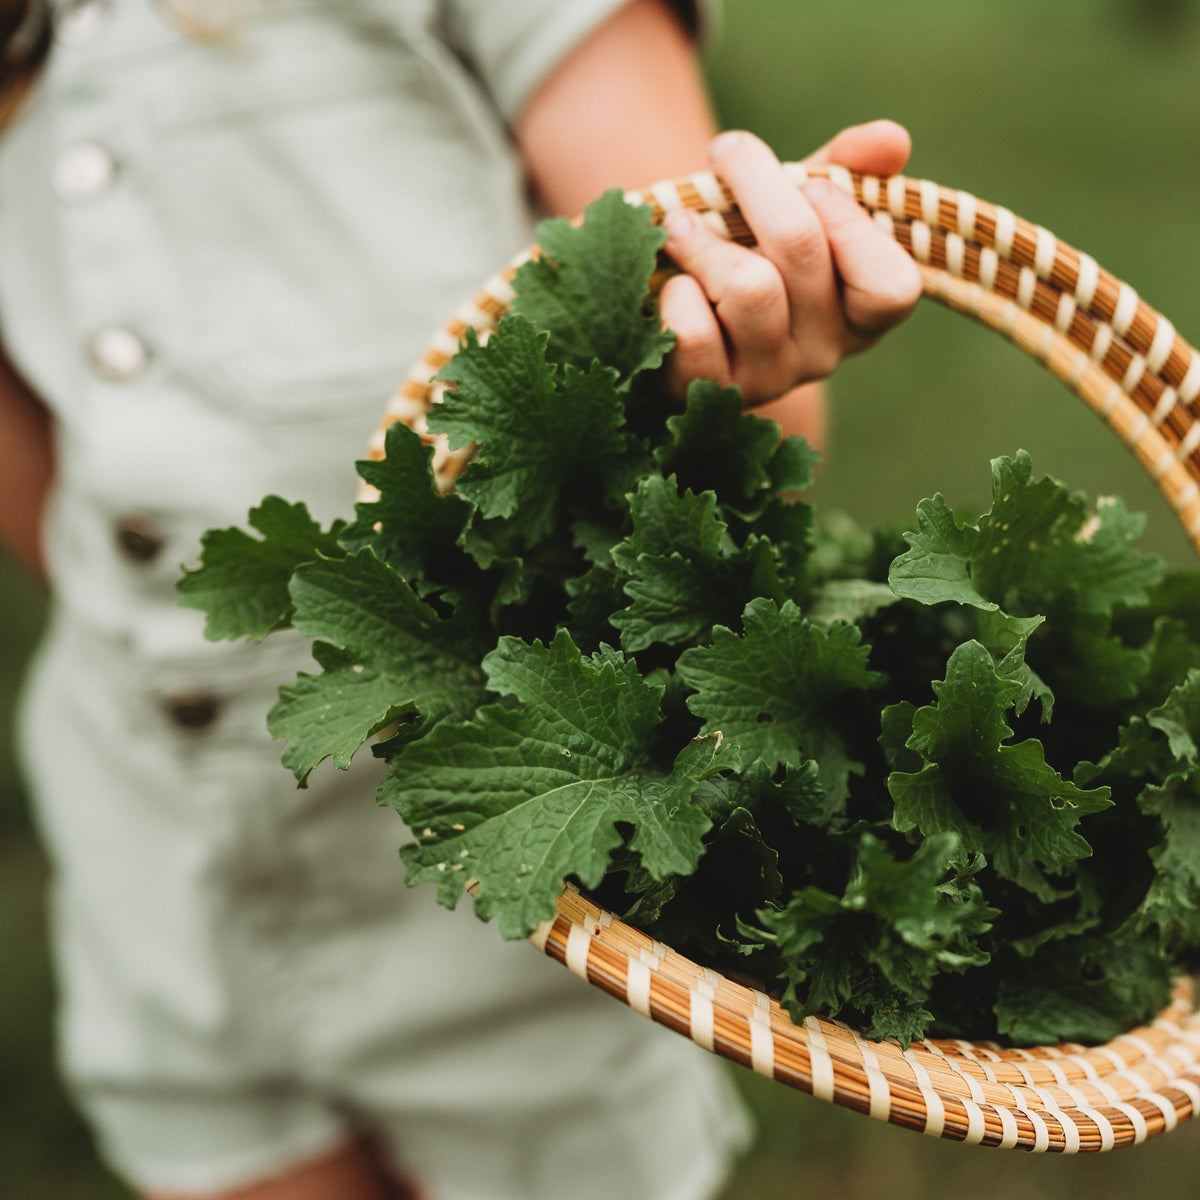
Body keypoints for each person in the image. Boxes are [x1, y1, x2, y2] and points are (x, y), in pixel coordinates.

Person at [0, 2, 920, 1197]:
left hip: (507, 858)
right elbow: (49, 495)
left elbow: (746, 398)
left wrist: (744, 343)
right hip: (156, 843)